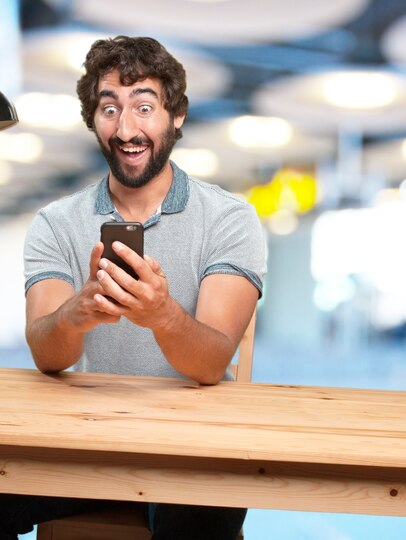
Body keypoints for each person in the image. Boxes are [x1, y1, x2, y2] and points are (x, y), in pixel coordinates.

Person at [0, 36, 266, 540]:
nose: (126, 129)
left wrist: (162, 315)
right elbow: (45, 353)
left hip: (195, 451)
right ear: (93, 121)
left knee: (203, 518)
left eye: (144, 106)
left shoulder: (231, 219)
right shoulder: (56, 223)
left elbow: (212, 362)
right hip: (86, 444)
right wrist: (75, 313)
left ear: (177, 116)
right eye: (108, 109)